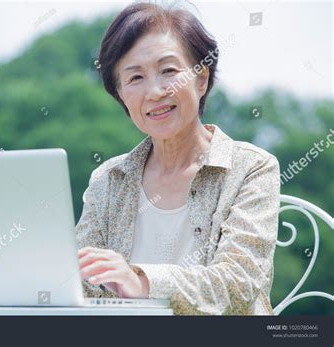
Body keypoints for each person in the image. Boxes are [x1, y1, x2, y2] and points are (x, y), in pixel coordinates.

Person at [76, 2, 280, 315]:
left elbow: (237, 285)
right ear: (120, 95)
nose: (155, 91)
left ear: (201, 79)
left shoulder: (252, 168)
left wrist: (142, 282)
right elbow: (84, 285)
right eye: (135, 78)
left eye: (169, 71)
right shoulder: (108, 178)